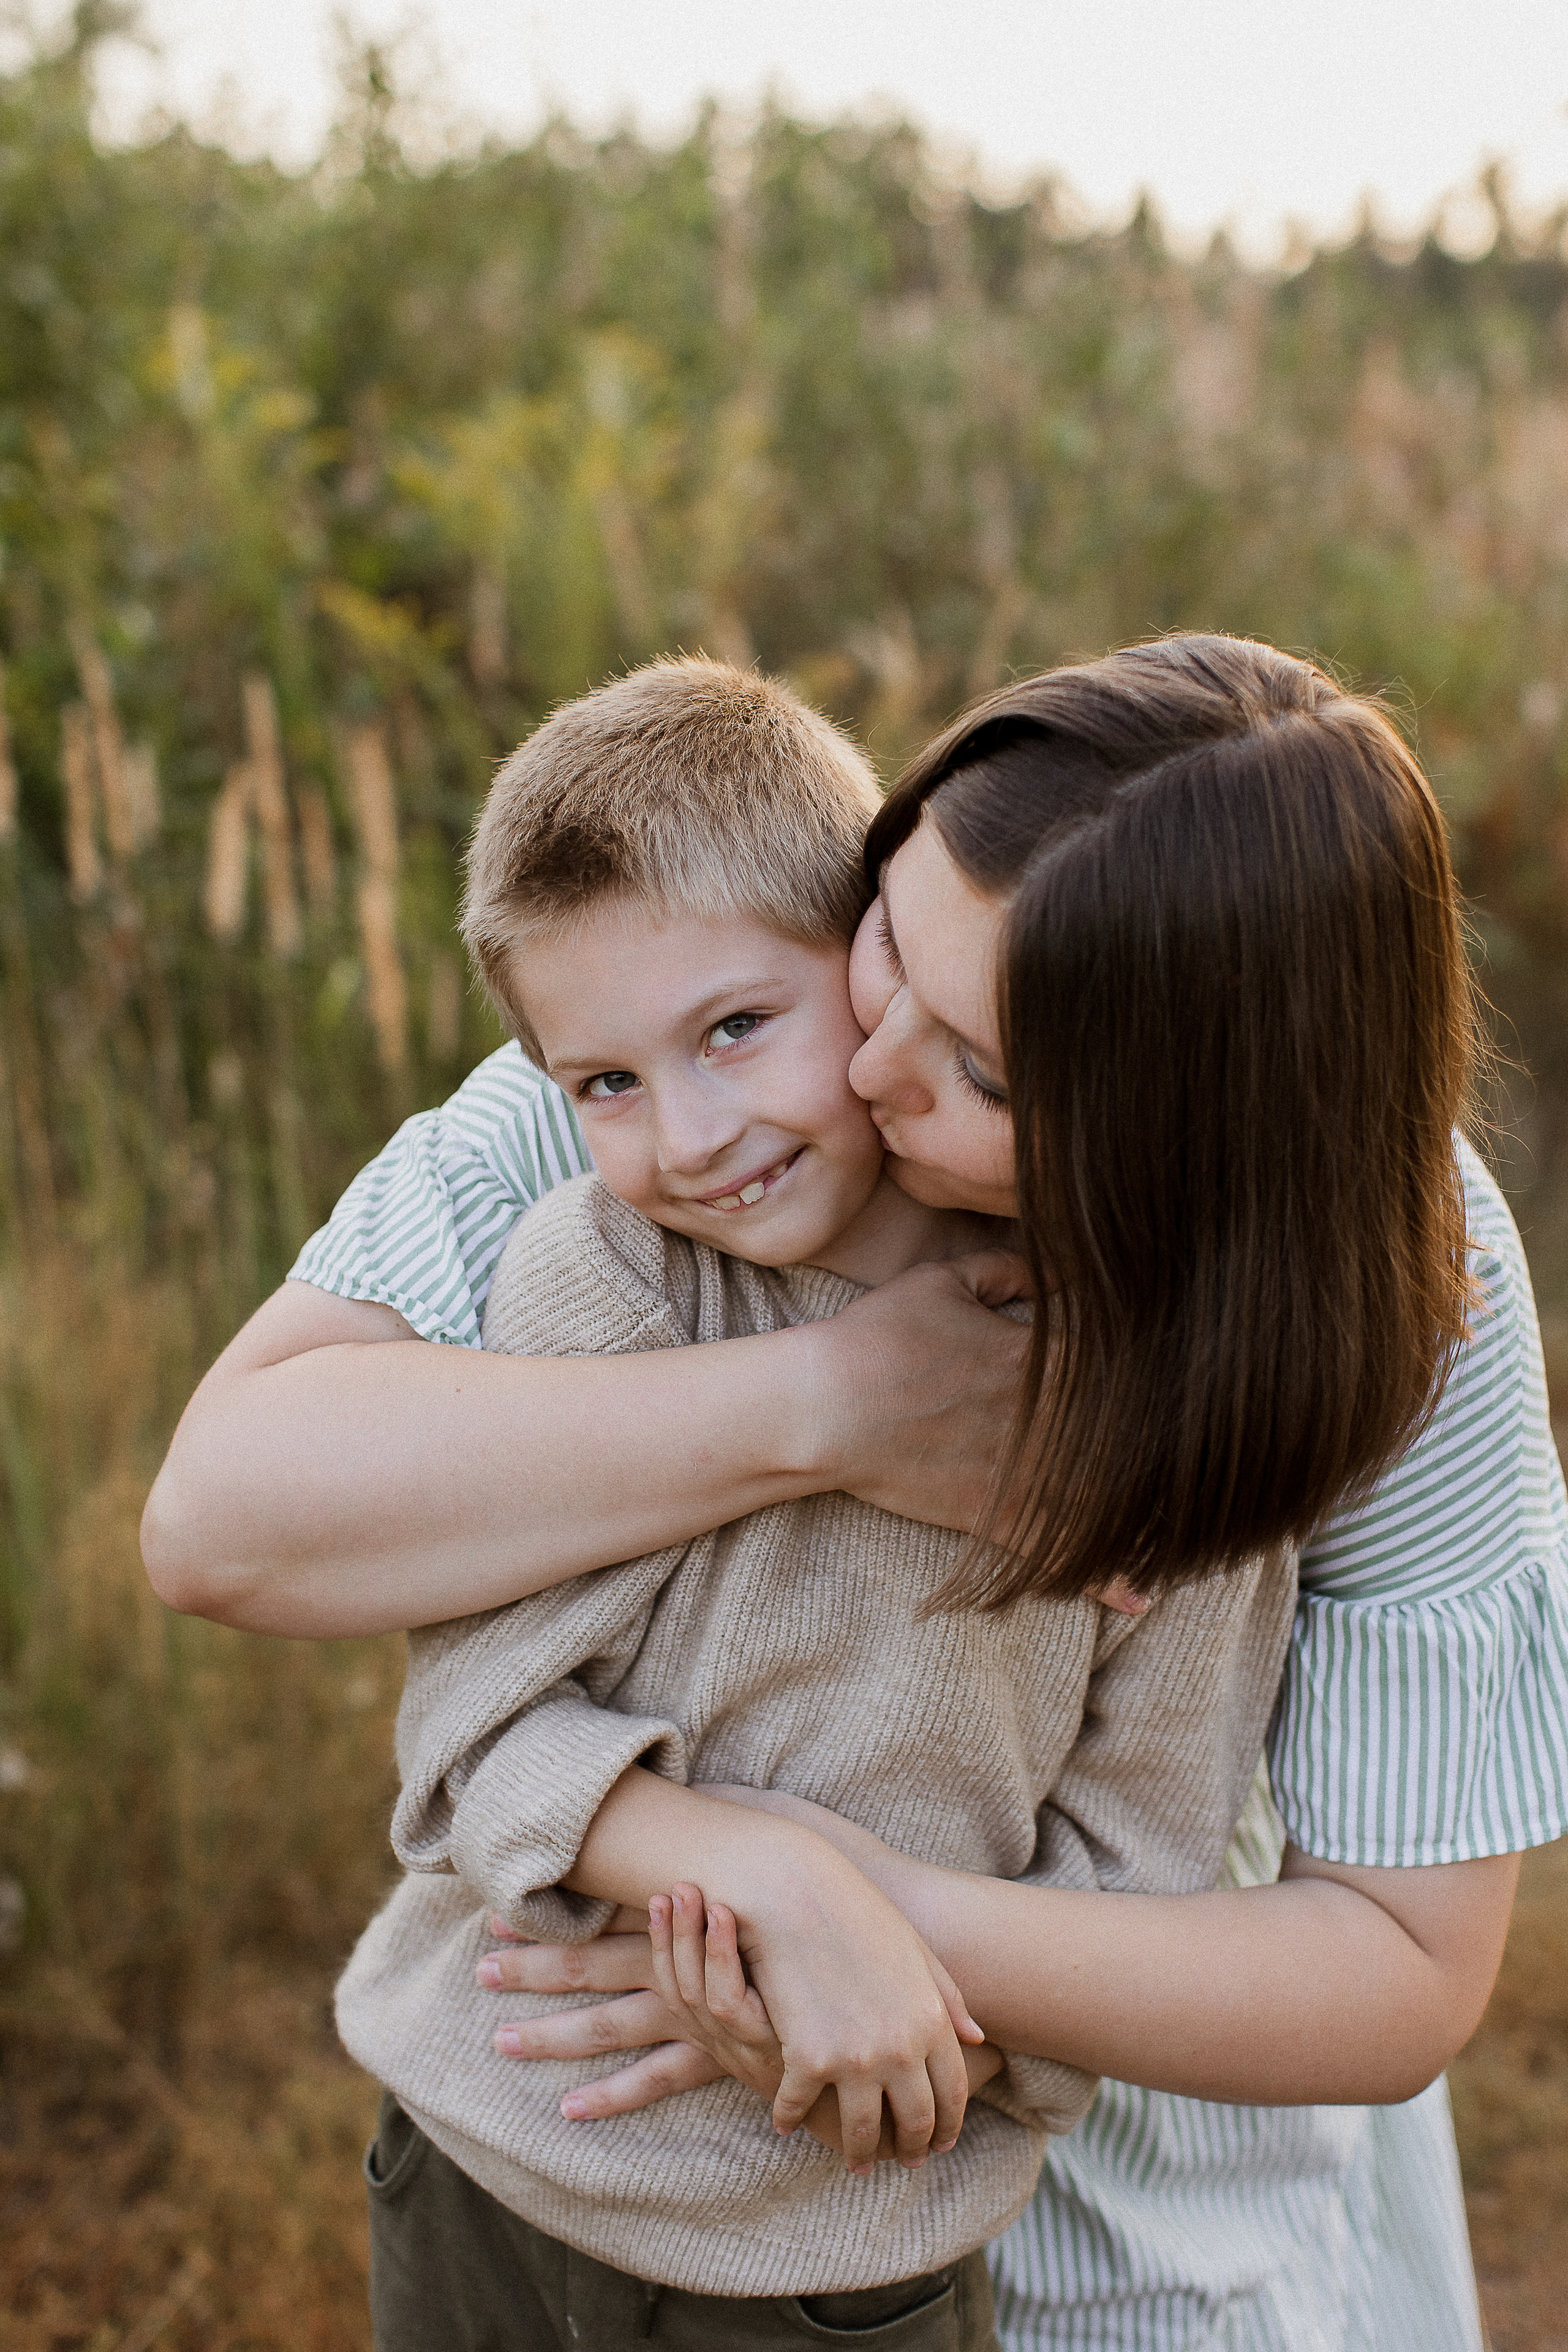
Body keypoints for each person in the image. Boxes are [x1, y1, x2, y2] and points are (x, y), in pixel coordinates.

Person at [142, 636, 1568, 2352]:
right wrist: (836, 1405)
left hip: (1156, 2218)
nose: (877, 1065)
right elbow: (223, 1518)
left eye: (979, 1075)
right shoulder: (714, 1049)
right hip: (597, 2164)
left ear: (1177, 1152)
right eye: (891, 942)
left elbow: (1398, 1964)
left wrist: (850, 1919)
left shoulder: (1384, 1286)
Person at [338, 655, 1297, 2349]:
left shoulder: (1172, 1395)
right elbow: (472, 1726)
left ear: (870, 958)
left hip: (838, 2228)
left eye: (734, 1030)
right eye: (604, 1085)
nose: (689, 1135)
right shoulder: (603, 1281)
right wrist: (751, 1876)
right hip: (486, 2139)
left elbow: (1141, 1875)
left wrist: (930, 2017)